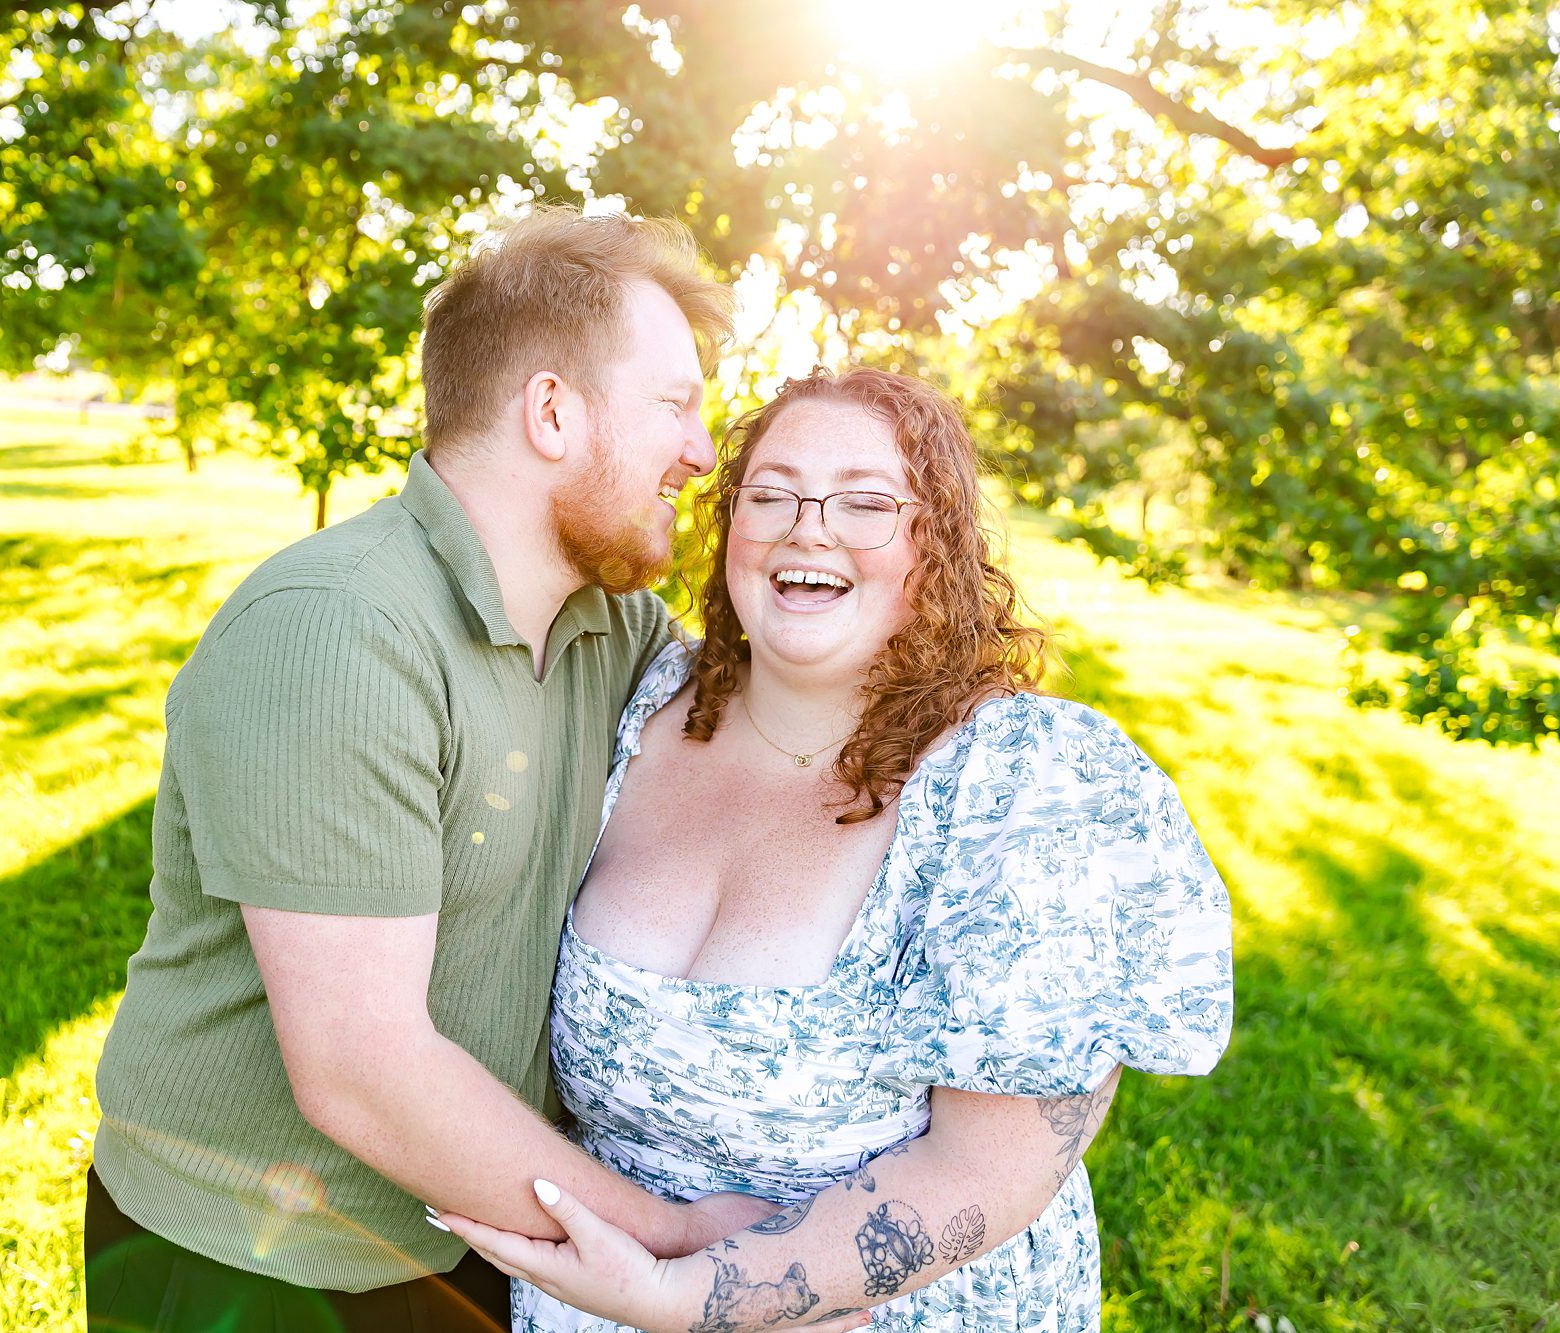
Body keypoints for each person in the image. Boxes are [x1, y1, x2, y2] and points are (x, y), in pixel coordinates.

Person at [84, 207, 791, 1333]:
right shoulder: (334, 630)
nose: (704, 455)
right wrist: (672, 1241)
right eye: (674, 405)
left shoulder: (612, 632)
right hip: (262, 1259)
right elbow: (362, 1067)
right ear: (551, 411)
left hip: (470, 1225)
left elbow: (793, 724)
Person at [435, 367, 1236, 1332]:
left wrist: (690, 1296)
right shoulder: (636, 702)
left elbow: (986, 1173)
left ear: (933, 545)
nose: (806, 528)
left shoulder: (1030, 785)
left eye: (865, 502)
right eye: (769, 495)